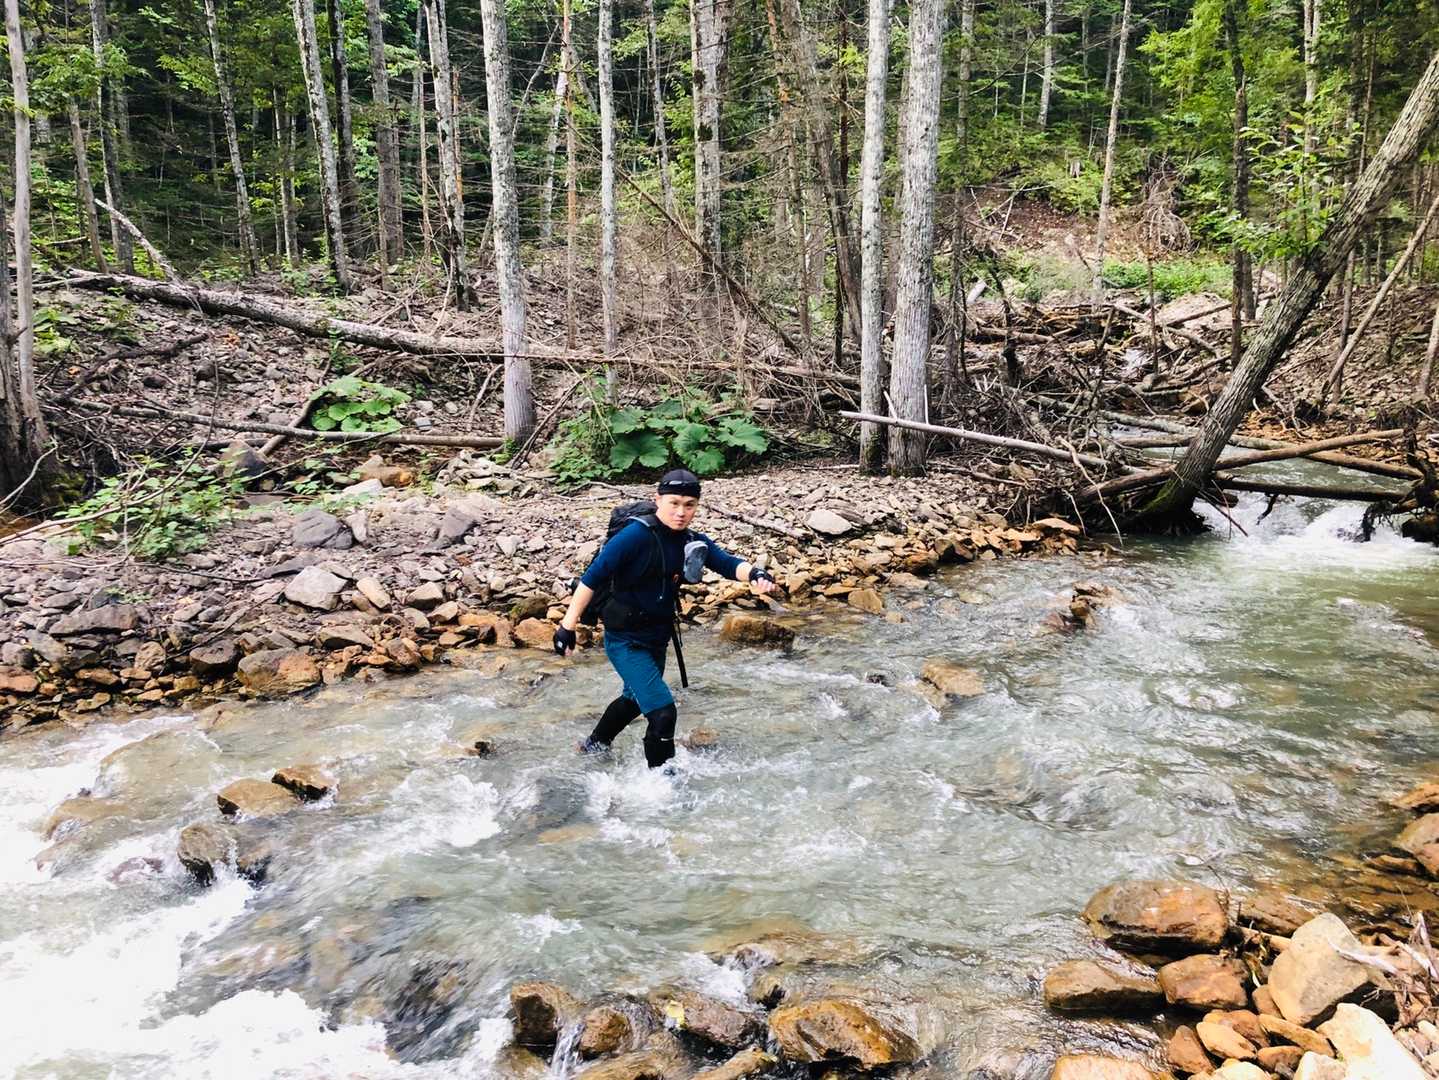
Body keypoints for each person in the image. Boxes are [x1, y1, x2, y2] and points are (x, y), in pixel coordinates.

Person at [553, 468, 777, 768]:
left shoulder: (691, 540)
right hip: (625, 640)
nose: (681, 512)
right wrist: (567, 626)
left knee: (634, 700)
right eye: (674, 503)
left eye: (689, 505)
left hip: (657, 638)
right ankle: (662, 781)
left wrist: (756, 573)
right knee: (663, 712)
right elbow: (592, 579)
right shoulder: (634, 536)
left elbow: (726, 563)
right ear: (657, 500)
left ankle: (594, 744)